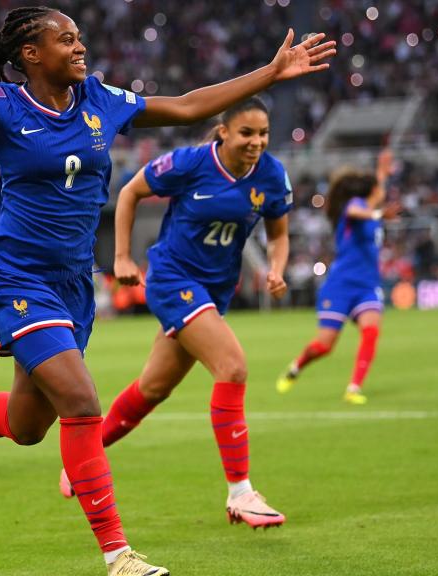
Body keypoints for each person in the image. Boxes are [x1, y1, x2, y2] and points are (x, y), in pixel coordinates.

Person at [0, 7, 334, 574]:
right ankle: (118, 554)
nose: (80, 48)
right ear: (31, 54)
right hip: (15, 274)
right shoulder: (4, 107)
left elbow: (185, 107)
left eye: (80, 38)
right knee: (82, 403)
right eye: (66, 40)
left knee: (29, 427)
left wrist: (269, 73)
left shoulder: (100, 100)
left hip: (74, 280)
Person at [57, 97, 292, 531]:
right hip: (172, 280)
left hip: (215, 290)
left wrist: (276, 269)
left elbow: (279, 233)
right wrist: (123, 256)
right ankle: (241, 492)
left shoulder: (272, 176)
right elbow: (130, 192)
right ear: (223, 131)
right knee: (233, 367)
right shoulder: (189, 164)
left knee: (153, 388)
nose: (256, 142)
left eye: (263, 134)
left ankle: (80, 458)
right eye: (246, 133)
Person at [276, 150, 396, 405]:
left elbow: (377, 193)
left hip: (366, 286)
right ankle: (297, 366)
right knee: (325, 345)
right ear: (371, 192)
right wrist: (378, 213)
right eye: (378, 188)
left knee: (371, 331)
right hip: (340, 286)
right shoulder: (357, 207)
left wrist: (382, 173)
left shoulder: (371, 203)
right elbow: (356, 211)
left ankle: (353, 388)